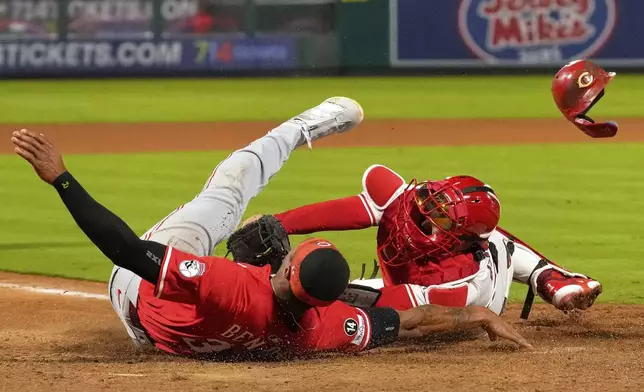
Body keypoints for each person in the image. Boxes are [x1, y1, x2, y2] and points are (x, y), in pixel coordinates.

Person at [11, 102, 532, 361]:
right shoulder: (323, 329)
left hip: (137, 296)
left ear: (287, 267)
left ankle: (302, 127)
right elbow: (411, 322)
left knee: (226, 196)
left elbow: (123, 249)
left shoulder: (230, 283)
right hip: (164, 343)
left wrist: (60, 177)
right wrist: (476, 312)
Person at [237, 167, 601, 319]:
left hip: (475, 293)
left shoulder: (460, 285)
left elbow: (390, 304)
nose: (423, 214)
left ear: (460, 239)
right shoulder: (406, 201)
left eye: (440, 217)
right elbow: (344, 211)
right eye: (431, 203)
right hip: (411, 281)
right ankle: (551, 277)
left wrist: (297, 285)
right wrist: (279, 222)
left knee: (497, 247)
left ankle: (547, 276)